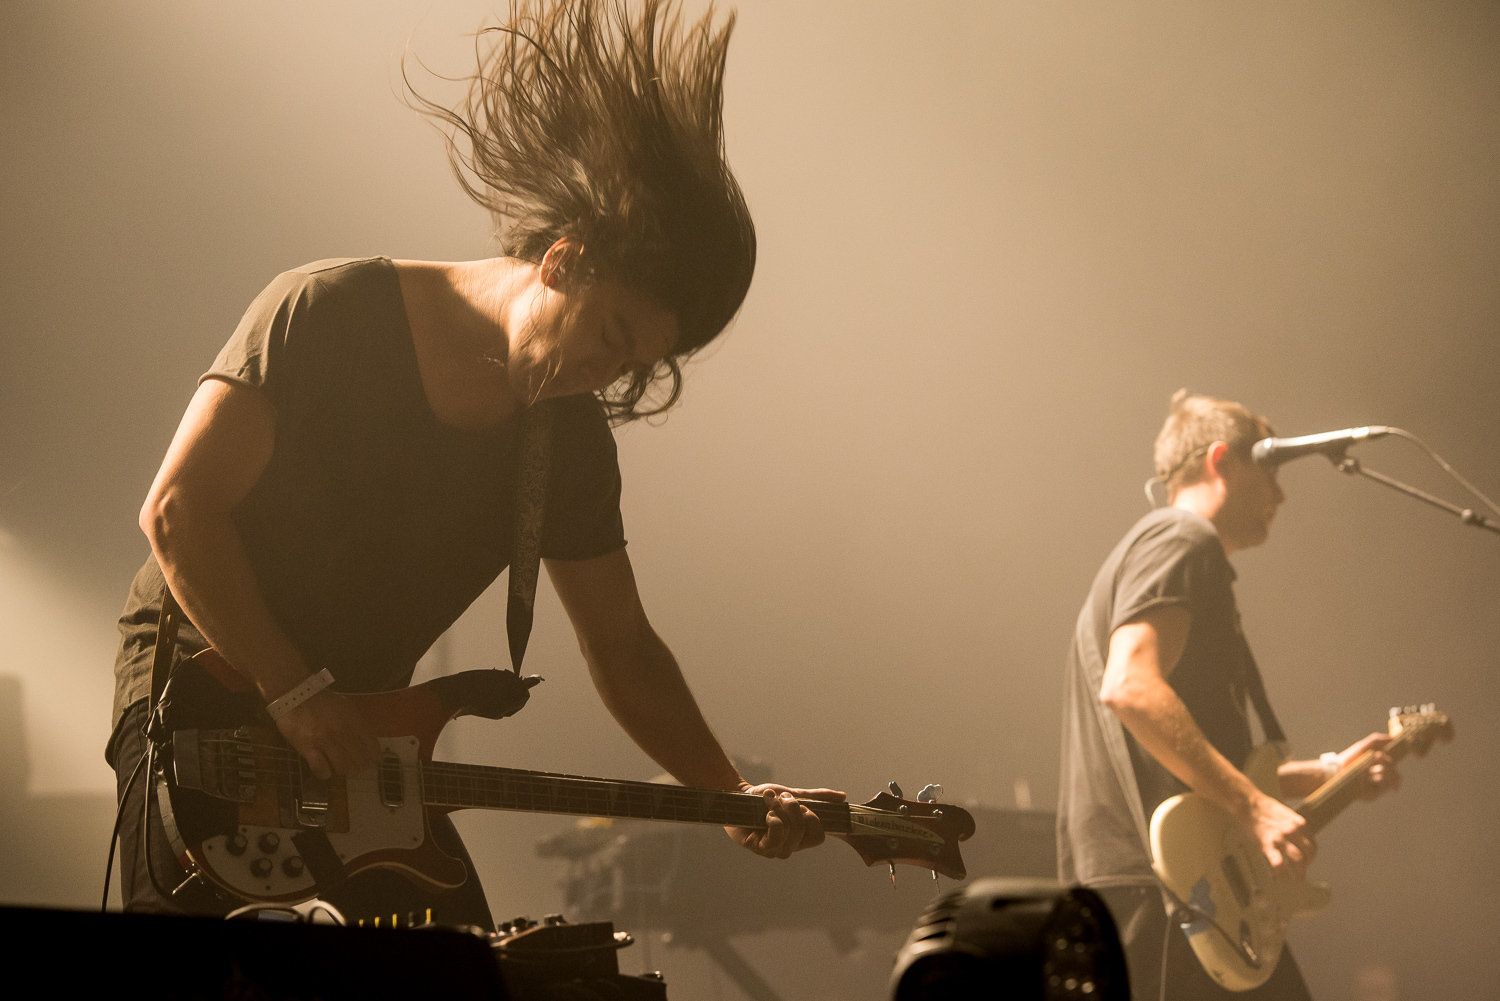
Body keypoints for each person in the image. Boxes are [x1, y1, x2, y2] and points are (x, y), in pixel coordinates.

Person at [106, 0, 843, 925]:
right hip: (205, 702)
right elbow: (178, 511)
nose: (607, 375)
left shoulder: (568, 443)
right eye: (610, 333)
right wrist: (292, 689)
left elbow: (621, 645)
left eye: (636, 362)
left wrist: (730, 791)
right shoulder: (327, 311)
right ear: (565, 260)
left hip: (360, 740)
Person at [1056, 390, 1401, 1000]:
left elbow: (1196, 751)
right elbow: (1130, 687)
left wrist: (1327, 772)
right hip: (1170, 884)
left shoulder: (1169, 547)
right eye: (1269, 470)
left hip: (1182, 882)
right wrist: (1255, 808)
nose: (1281, 495)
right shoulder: (1182, 540)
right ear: (1222, 460)